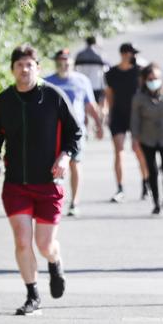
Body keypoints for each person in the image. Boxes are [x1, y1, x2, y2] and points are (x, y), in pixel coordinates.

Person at [0, 44, 82, 315]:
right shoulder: (3, 101)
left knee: (44, 244)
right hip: (16, 184)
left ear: (37, 68)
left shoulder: (53, 96)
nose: (24, 69)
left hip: (49, 183)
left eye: (29, 65)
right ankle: (32, 295)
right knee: (22, 241)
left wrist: (65, 156)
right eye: (19, 65)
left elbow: (75, 132)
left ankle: (54, 260)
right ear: (13, 69)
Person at [45, 48, 104, 217]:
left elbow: (90, 105)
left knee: (75, 164)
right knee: (54, 166)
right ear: (56, 63)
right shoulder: (47, 81)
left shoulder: (82, 81)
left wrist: (99, 125)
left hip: (75, 130)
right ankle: (55, 199)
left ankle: (74, 202)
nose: (64, 65)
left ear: (71, 63)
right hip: (53, 131)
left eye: (67, 62)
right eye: (60, 62)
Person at [131, 64, 163, 215]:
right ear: (145, 80)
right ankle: (156, 202)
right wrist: (134, 139)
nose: (153, 81)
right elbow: (135, 120)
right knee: (152, 170)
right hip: (147, 138)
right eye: (150, 79)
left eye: (156, 78)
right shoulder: (139, 97)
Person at [105, 42, 150, 202]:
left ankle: (146, 183)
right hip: (118, 115)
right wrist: (109, 114)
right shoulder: (111, 73)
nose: (135, 57)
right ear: (124, 54)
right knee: (118, 150)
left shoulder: (139, 72)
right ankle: (120, 188)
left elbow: (144, 92)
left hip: (136, 116)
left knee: (138, 150)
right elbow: (109, 94)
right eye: (132, 54)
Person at [74, 36, 108, 111]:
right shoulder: (99, 55)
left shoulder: (80, 55)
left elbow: (75, 70)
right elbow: (105, 70)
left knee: (83, 108)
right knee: (97, 109)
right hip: (96, 85)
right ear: (95, 42)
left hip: (82, 85)